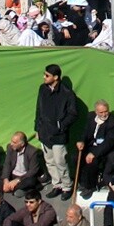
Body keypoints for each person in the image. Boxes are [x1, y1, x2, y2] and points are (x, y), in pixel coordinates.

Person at [34, 64, 78, 197]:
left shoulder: (67, 93)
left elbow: (73, 114)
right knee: (50, 161)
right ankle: (57, 185)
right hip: (44, 133)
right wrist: (37, 128)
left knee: (60, 161)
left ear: (56, 77)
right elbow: (38, 109)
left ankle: (67, 187)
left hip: (58, 135)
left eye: (47, 75)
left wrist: (60, 126)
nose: (44, 77)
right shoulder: (42, 89)